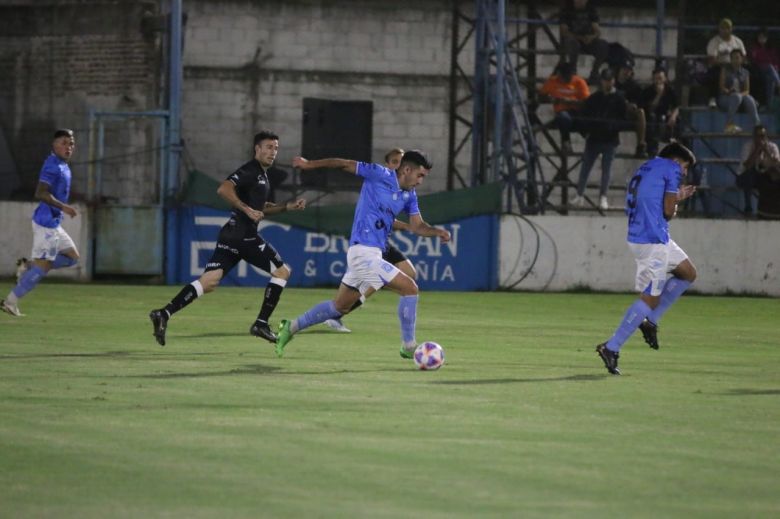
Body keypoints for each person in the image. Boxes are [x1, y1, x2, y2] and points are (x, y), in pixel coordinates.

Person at [276, 150, 451, 359]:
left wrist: (436, 232)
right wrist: (309, 164)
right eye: (420, 175)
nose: (421, 181)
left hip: (374, 253)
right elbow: (342, 162)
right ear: (406, 170)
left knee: (338, 307)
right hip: (362, 253)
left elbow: (417, 226)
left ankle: (290, 327)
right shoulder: (379, 174)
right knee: (410, 288)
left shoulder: (409, 195)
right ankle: (409, 346)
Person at [148, 130, 306, 346]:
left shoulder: (262, 175)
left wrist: (286, 206)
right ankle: (261, 322)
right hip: (244, 237)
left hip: (232, 235)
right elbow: (223, 189)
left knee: (209, 281)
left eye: (276, 148)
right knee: (283, 271)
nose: (273, 152)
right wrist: (246, 209)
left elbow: (260, 208)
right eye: (268, 147)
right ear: (257, 149)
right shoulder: (250, 170)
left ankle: (164, 313)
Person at [595, 142, 698, 375]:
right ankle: (611, 347)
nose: (683, 173)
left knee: (688, 273)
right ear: (676, 161)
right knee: (650, 299)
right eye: (684, 167)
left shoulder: (647, 167)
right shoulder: (671, 169)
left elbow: (649, 199)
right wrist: (675, 201)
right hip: (652, 241)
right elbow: (668, 213)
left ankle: (650, 321)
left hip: (647, 235)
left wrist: (675, 196)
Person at [323, 147, 420, 333]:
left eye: (401, 162)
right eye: (394, 162)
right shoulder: (379, 181)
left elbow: (391, 219)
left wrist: (411, 226)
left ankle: (343, 309)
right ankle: (338, 313)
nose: (398, 165)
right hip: (367, 244)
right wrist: (408, 226)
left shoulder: (405, 189)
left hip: (383, 244)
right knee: (374, 283)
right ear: (388, 164)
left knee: (410, 274)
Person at [1, 129, 80, 317]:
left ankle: (28, 266)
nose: (68, 147)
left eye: (71, 143)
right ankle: (10, 301)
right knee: (44, 267)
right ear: (54, 145)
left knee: (72, 258)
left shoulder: (64, 165)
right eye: (63, 143)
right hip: (46, 223)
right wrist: (64, 208)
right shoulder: (52, 165)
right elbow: (40, 192)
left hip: (53, 223)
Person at [570, 68, 626, 211]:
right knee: (585, 168)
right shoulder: (595, 98)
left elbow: (623, 119)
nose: (607, 83)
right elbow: (583, 116)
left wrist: (612, 128)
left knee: (606, 170)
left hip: (609, 139)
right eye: (605, 80)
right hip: (594, 138)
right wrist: (585, 133)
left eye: (609, 80)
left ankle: (603, 197)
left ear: (613, 81)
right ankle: (580, 195)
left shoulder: (619, 98)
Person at [537, 61, 590, 154]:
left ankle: (591, 141)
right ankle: (566, 142)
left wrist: (571, 101)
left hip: (577, 112)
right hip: (562, 113)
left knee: (585, 122)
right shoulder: (552, 81)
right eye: (564, 77)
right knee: (563, 117)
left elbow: (588, 102)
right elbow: (541, 96)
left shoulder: (579, 82)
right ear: (559, 74)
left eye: (569, 77)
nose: (567, 79)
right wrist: (550, 99)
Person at [558, 0, 610, 84]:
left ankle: (594, 72)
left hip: (588, 40)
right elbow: (564, 32)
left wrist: (591, 37)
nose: (579, 1)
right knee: (572, 43)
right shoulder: (567, 9)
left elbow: (597, 31)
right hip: (573, 39)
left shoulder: (591, 9)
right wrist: (580, 38)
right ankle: (573, 71)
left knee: (603, 45)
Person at [738, 125, 780, 216]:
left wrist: (766, 151)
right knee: (749, 177)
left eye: (763, 135)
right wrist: (757, 150)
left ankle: (772, 210)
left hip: (764, 175)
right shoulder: (748, 146)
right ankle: (748, 207)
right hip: (745, 176)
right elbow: (747, 166)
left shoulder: (772, 147)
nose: (761, 138)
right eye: (758, 135)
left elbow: (777, 163)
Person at [705, 18, 747, 108]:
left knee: (750, 72)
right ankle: (713, 99)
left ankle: (752, 99)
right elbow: (711, 60)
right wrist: (725, 64)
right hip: (721, 66)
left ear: (731, 29)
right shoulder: (714, 42)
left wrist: (737, 63)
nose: (725, 30)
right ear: (719, 29)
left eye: (727, 28)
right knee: (713, 72)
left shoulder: (737, 41)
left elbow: (744, 57)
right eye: (722, 28)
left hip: (737, 66)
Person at [639, 67, 680, 156]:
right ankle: (652, 149)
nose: (658, 81)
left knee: (674, 121)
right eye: (656, 79)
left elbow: (676, 106)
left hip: (665, 115)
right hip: (651, 115)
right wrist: (658, 95)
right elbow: (649, 108)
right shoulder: (648, 91)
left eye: (660, 78)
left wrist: (673, 116)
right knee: (653, 120)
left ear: (665, 78)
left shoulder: (670, 90)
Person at [718, 49, 760, 134]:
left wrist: (740, 95)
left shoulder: (745, 72)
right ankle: (728, 125)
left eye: (737, 58)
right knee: (736, 97)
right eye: (733, 58)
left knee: (749, 98)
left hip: (740, 98)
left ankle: (757, 125)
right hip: (726, 98)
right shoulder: (725, 70)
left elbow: (747, 90)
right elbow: (722, 87)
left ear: (741, 59)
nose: (735, 60)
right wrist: (729, 92)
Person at [613, 60, 648, 158]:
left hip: (627, 113)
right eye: (624, 69)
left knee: (640, 112)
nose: (625, 72)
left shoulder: (634, 86)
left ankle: (641, 145)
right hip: (613, 111)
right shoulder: (613, 83)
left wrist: (632, 105)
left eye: (628, 70)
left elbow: (640, 103)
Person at [748, 28, 780, 109]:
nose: (762, 39)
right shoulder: (755, 48)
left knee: (770, 79)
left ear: (767, 38)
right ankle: (779, 84)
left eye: (763, 37)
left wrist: (775, 67)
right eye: (760, 37)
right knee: (769, 67)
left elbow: (776, 61)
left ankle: (769, 105)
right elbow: (754, 60)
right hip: (759, 69)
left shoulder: (771, 48)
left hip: (771, 71)